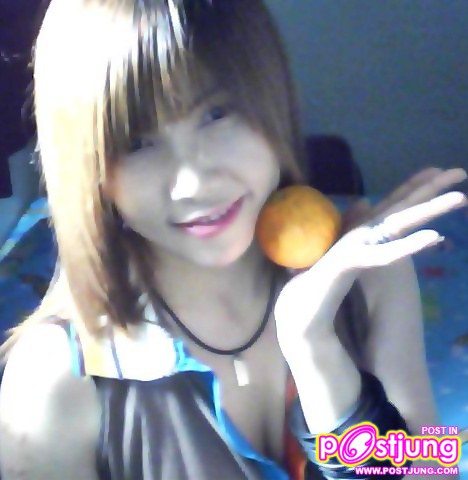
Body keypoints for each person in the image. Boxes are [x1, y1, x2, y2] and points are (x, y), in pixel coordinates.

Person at [0, 1, 466, 479]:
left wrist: (316, 351)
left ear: (272, 97)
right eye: (135, 143)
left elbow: (428, 471)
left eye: (216, 114)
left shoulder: (371, 276)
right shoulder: (53, 381)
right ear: (87, 167)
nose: (194, 183)